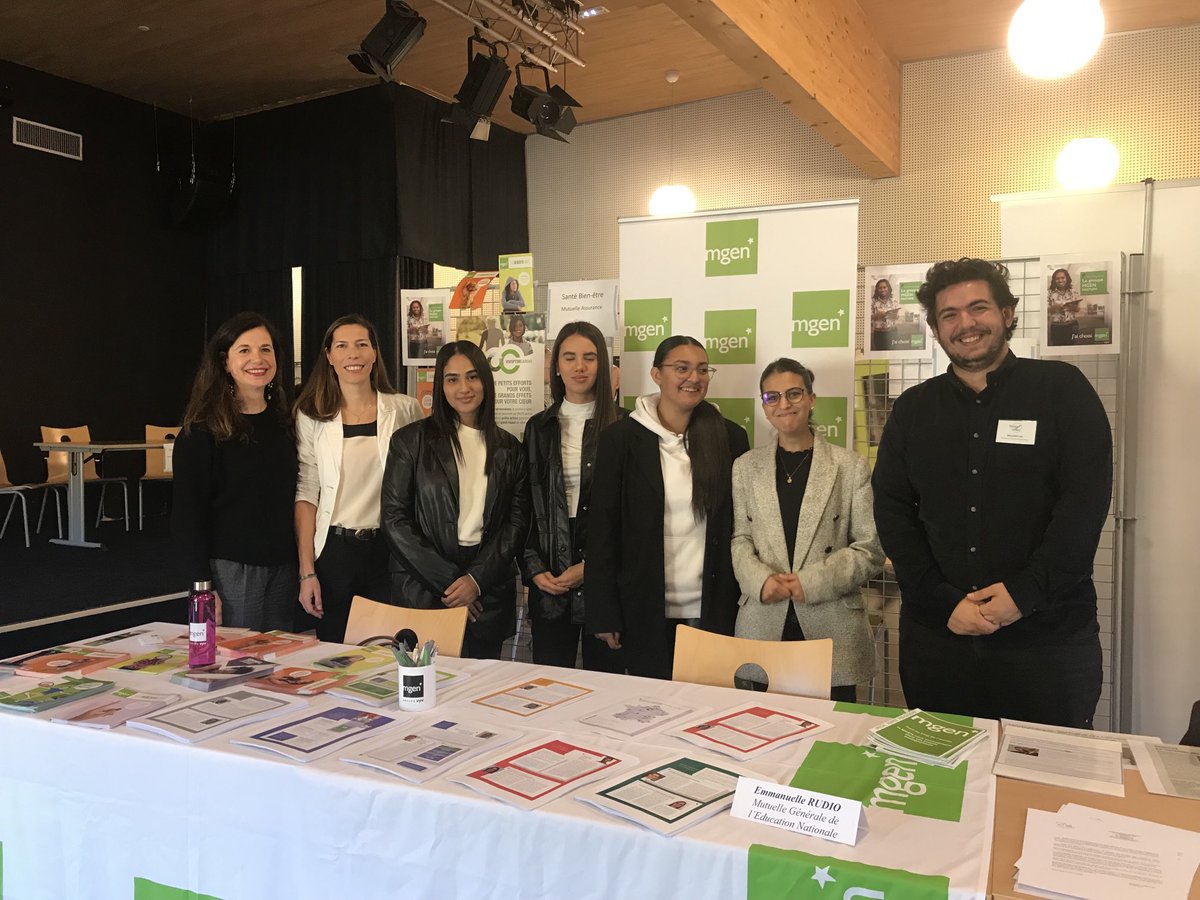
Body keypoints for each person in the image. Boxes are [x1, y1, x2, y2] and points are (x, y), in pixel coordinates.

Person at [872, 258, 1112, 727]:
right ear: (935, 329)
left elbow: (1084, 506)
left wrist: (1025, 593)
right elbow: (892, 510)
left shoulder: (1063, 390)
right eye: (950, 314)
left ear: (1007, 313)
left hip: (1047, 643)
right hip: (940, 643)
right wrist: (943, 602)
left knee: (1046, 769)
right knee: (941, 768)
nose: (966, 324)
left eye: (978, 308)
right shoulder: (913, 410)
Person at [586, 335, 750, 679]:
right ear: (657, 374)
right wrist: (604, 611)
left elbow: (740, 526)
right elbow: (602, 531)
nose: (694, 377)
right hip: (642, 607)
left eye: (702, 369)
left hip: (713, 608)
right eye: (682, 368)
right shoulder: (620, 439)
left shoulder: (730, 437)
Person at [731, 359, 884, 702]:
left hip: (831, 623)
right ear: (764, 406)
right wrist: (760, 581)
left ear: (812, 399)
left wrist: (811, 582)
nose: (783, 404)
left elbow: (869, 548)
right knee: (761, 724)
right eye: (772, 397)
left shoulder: (849, 466)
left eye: (794, 394)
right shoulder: (745, 467)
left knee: (834, 729)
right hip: (764, 621)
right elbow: (740, 538)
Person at [381, 341, 531, 659]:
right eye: (452, 379)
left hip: (487, 590)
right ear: (441, 385)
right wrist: (451, 583)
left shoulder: (510, 449)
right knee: (425, 685)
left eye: (472, 376)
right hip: (424, 587)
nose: (464, 388)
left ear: (486, 381)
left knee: (484, 685)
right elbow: (394, 519)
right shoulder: (409, 442)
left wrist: (475, 581)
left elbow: (516, 523)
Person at [294, 314, 422, 642]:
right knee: (334, 653)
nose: (353, 354)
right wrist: (307, 572)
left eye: (362, 344)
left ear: (375, 352)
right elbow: (307, 493)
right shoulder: (311, 415)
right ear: (329, 356)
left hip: (390, 550)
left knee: (390, 649)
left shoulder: (405, 410)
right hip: (335, 551)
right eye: (342, 346)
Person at [172, 312, 297, 630]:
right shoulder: (201, 431)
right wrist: (201, 586)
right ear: (225, 362)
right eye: (245, 350)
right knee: (238, 656)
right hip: (232, 570)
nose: (258, 359)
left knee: (281, 656)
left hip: (285, 566)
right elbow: (188, 515)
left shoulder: (287, 422)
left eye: (266, 349)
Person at [521, 322, 626, 671]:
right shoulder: (538, 427)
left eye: (589, 357)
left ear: (603, 366)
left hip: (608, 584)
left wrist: (592, 567)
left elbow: (633, 514)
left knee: (609, 687)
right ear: (556, 366)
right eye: (569, 358)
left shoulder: (626, 427)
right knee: (549, 686)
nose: (579, 367)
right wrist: (535, 569)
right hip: (550, 579)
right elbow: (526, 504)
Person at [1046, 267, 1081, 346]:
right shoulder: (1049, 293)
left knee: (1072, 347)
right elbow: (1046, 310)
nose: (1060, 280)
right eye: (1057, 278)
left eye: (1062, 278)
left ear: (1067, 278)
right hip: (1057, 327)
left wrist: (1072, 307)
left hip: (1072, 325)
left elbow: (1078, 309)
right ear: (1054, 280)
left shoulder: (1073, 291)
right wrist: (1055, 307)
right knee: (1057, 348)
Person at [870, 278, 898, 350]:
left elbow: (897, 317)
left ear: (888, 288)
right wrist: (877, 315)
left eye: (884, 287)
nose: (882, 290)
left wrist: (893, 315)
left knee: (892, 352)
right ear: (877, 289)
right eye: (880, 288)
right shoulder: (873, 301)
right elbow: (868, 317)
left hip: (892, 332)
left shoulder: (893, 300)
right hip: (879, 334)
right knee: (880, 352)